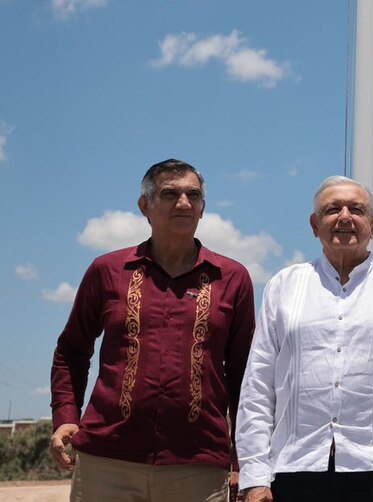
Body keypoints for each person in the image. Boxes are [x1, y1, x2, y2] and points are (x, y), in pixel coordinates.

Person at [50, 158, 255, 502]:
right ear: (145, 205)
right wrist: (65, 416)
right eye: (170, 193)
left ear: (203, 208)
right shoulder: (107, 270)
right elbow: (71, 351)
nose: (184, 203)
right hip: (107, 461)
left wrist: (243, 460)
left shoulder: (232, 278)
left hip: (198, 466)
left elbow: (245, 375)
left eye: (194, 194)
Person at [235, 175, 373, 502]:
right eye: (333, 209)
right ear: (314, 224)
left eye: (356, 210)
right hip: (293, 470)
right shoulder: (284, 286)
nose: (345, 217)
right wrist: (254, 475)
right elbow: (258, 387)